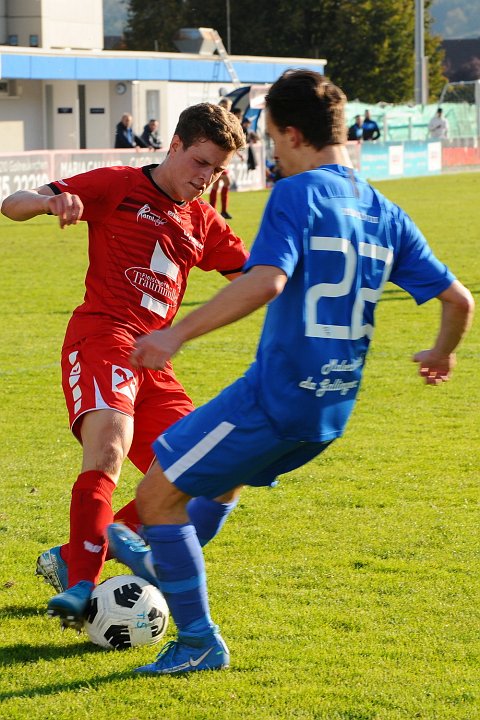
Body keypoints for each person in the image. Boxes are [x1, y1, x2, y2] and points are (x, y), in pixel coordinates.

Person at [107, 68, 474, 676]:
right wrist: (442, 353)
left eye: (272, 139)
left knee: (154, 500)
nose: (272, 154)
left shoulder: (297, 194)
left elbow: (266, 280)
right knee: (220, 483)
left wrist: (176, 333)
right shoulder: (386, 211)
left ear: (295, 134)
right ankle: (166, 565)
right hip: (330, 412)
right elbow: (460, 300)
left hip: (275, 397)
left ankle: (197, 638)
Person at [1, 103, 248, 629]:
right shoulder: (116, 184)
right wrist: (52, 203)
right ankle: (81, 587)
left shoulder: (203, 221)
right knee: (109, 446)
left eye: (217, 171)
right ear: (175, 144)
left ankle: (75, 554)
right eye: (201, 163)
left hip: (155, 357)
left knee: (205, 472)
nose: (206, 179)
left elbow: (255, 277)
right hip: (103, 335)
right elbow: (12, 204)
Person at [209, 98, 234, 219]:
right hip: (218, 155)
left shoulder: (229, 120)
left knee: (217, 183)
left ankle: (217, 211)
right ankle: (216, 211)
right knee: (225, 181)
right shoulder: (218, 120)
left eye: (228, 106)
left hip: (223, 155)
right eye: (225, 106)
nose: (227, 108)